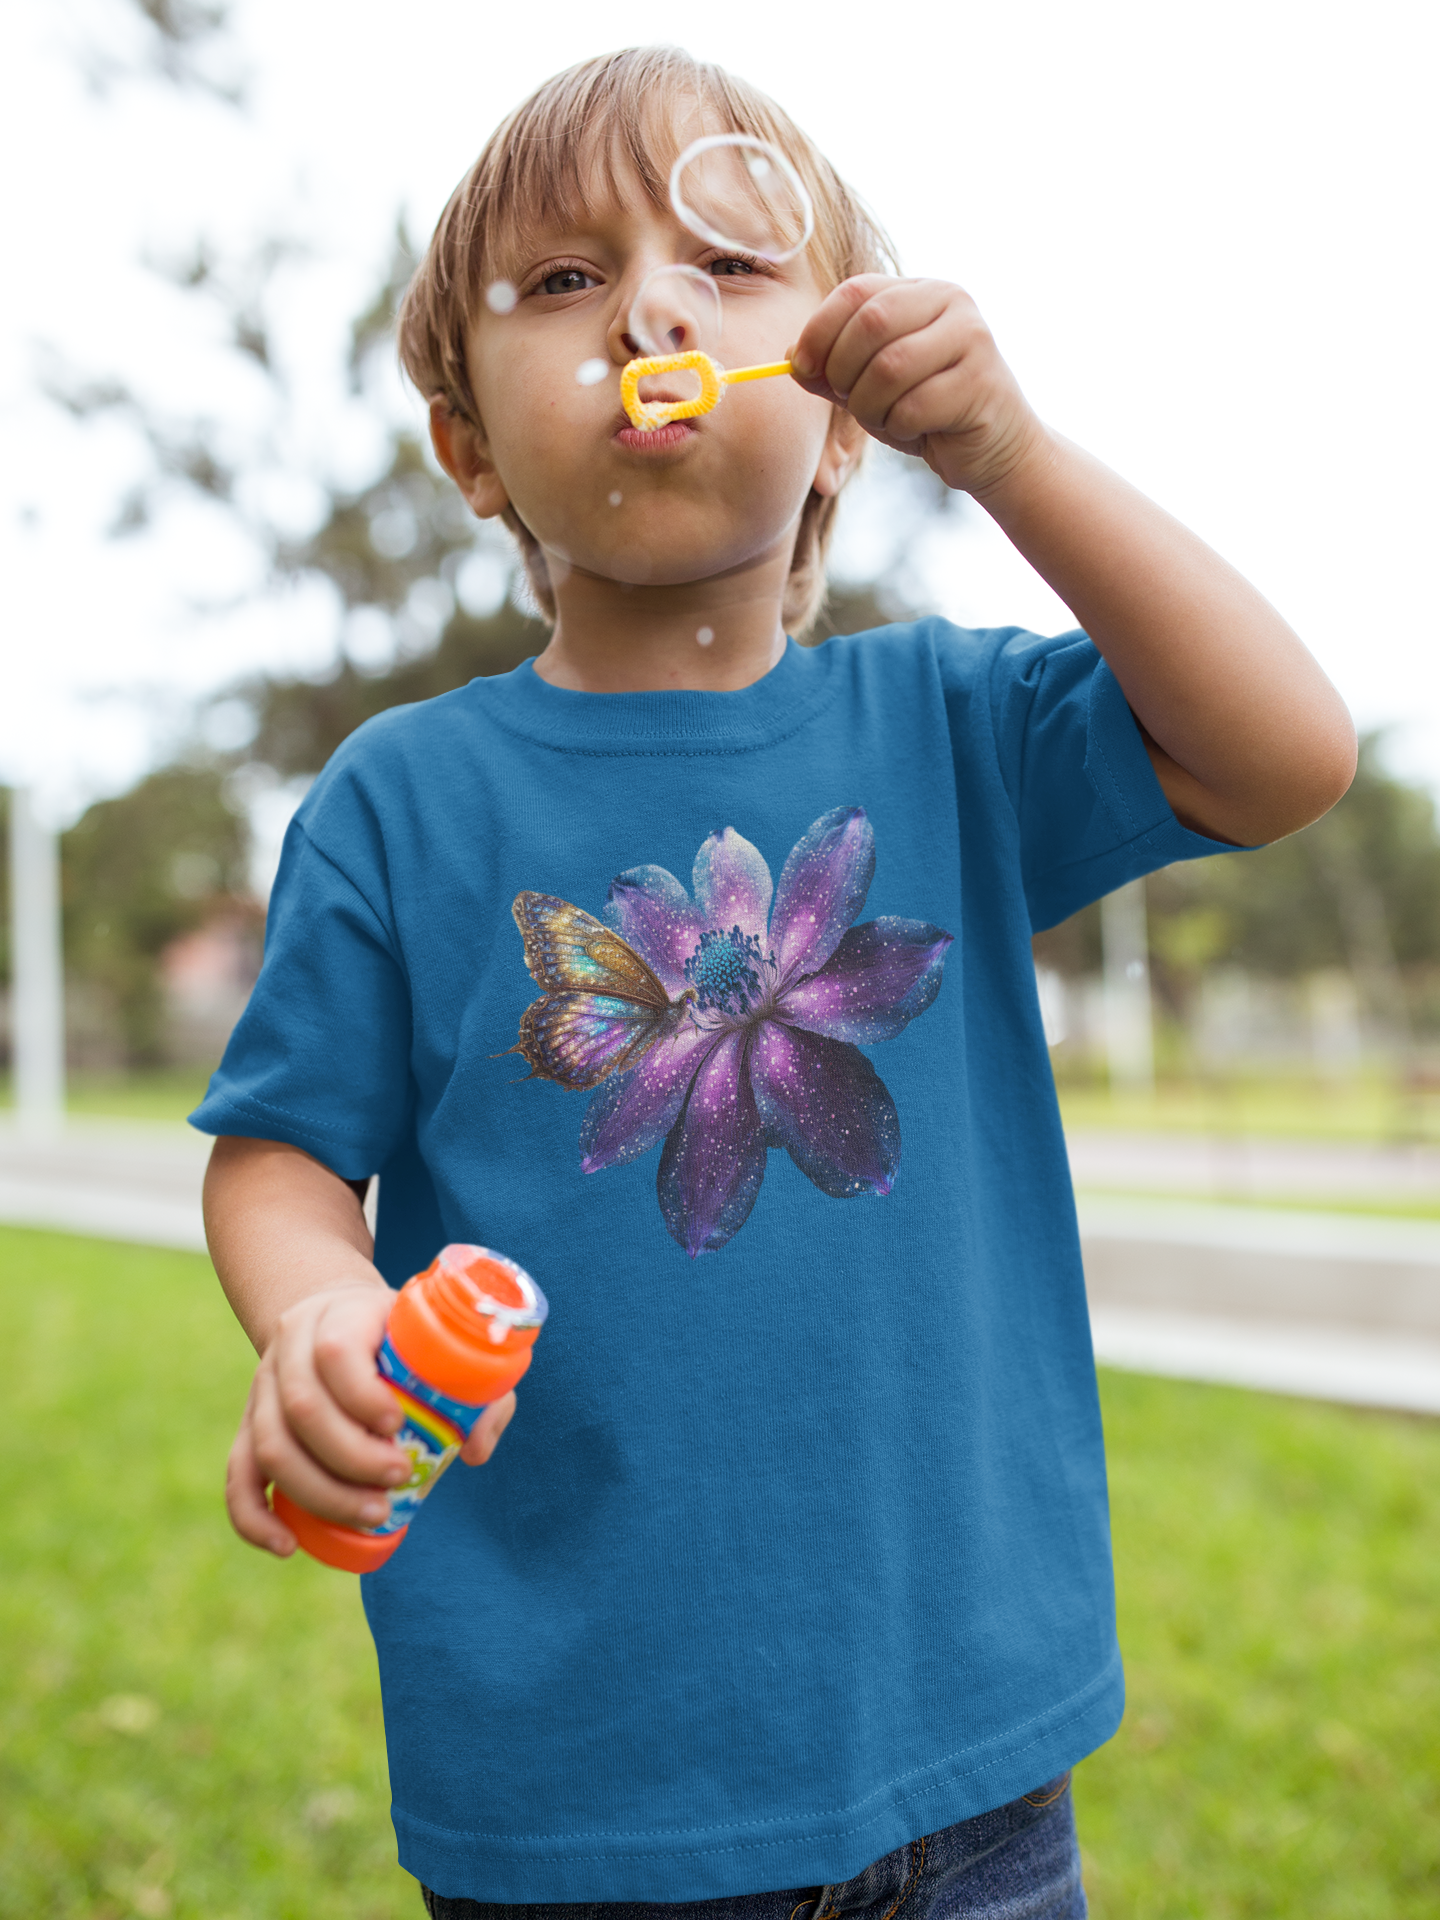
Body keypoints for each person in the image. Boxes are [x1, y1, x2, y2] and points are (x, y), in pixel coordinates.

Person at [194, 46, 1356, 1920]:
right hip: (575, 1798)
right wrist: (319, 1312)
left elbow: (1283, 754)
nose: (651, 304)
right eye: (565, 282)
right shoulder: (401, 802)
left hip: (971, 1772)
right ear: (470, 446)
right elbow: (277, 1154)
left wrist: (1017, 458)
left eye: (728, 266)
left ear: (836, 412)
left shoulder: (956, 723)